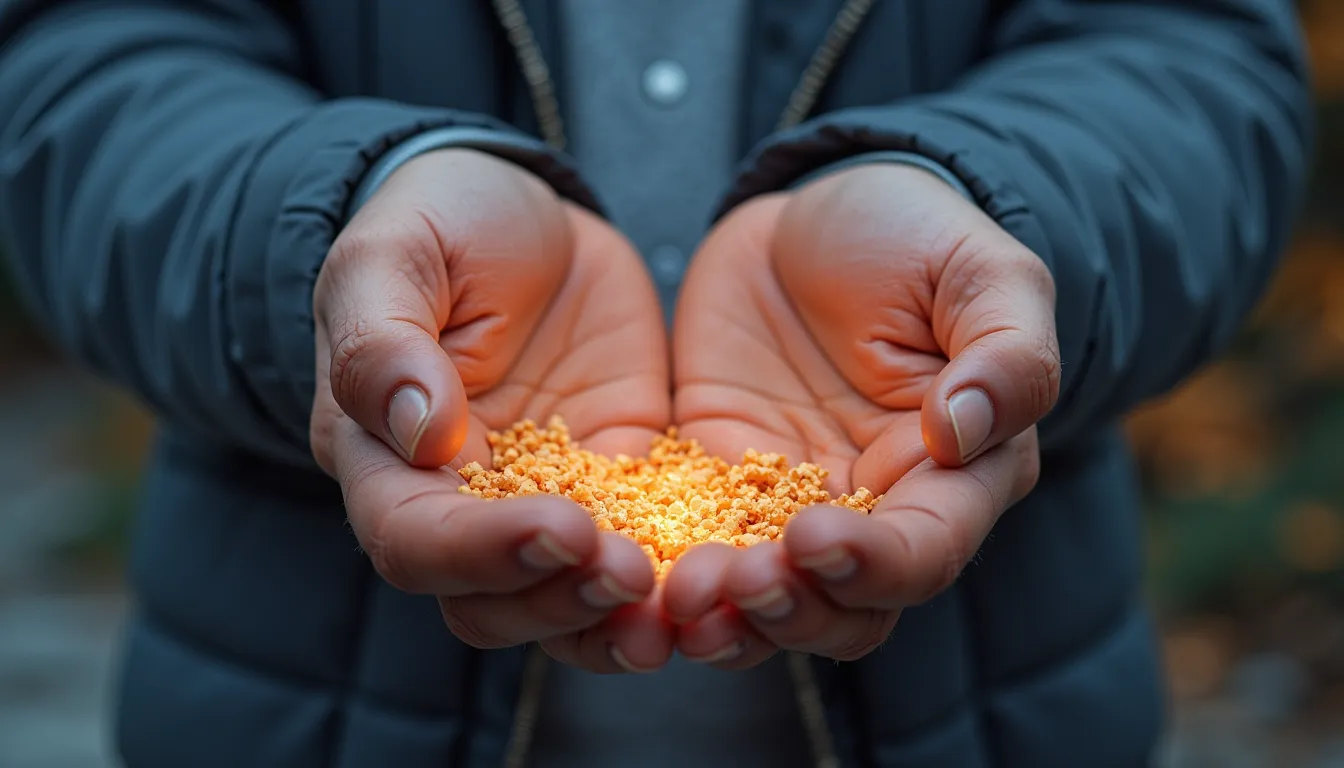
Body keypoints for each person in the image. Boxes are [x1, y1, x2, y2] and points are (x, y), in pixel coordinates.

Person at [0, 1, 1311, 766]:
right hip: (307, 706)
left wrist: (997, 214)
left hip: (988, 707)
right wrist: (327, 230)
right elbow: (91, 63)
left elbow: (1188, 56)